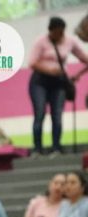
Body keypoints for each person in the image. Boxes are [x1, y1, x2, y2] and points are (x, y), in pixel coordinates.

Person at [29, 17, 88, 156]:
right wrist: (50, 70)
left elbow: (85, 59)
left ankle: (56, 147)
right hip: (40, 82)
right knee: (39, 113)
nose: (59, 35)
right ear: (50, 31)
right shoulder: (41, 41)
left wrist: (77, 75)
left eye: (61, 32)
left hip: (59, 83)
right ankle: (37, 149)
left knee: (57, 115)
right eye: (56, 32)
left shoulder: (69, 41)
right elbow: (32, 62)